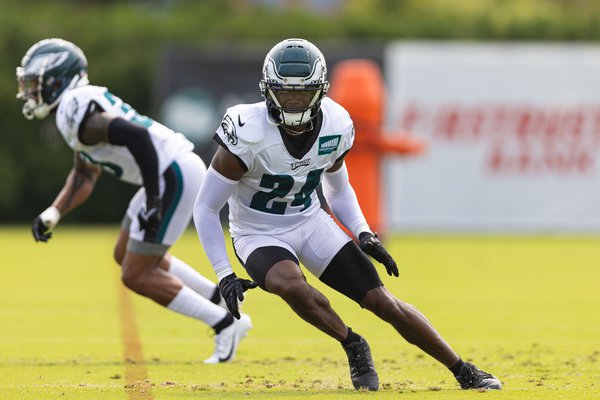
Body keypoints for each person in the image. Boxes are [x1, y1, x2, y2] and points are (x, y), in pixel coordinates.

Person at [193, 38, 502, 391]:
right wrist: (224, 274)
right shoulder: (245, 131)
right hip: (257, 232)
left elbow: (337, 188)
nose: (294, 102)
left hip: (309, 221)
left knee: (382, 301)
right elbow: (206, 206)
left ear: (320, 92)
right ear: (268, 91)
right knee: (290, 284)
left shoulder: (336, 123)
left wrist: (363, 233)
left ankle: (463, 369)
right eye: (286, 93)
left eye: (302, 94)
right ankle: (352, 343)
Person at [16, 38, 252, 364]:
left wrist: (154, 198)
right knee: (125, 253)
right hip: (168, 171)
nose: (30, 92)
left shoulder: (73, 106)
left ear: (58, 80)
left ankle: (224, 324)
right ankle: (218, 300)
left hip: (171, 174)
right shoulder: (77, 105)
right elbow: (85, 174)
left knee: (136, 273)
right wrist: (54, 212)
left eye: (35, 84)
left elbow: (137, 137)